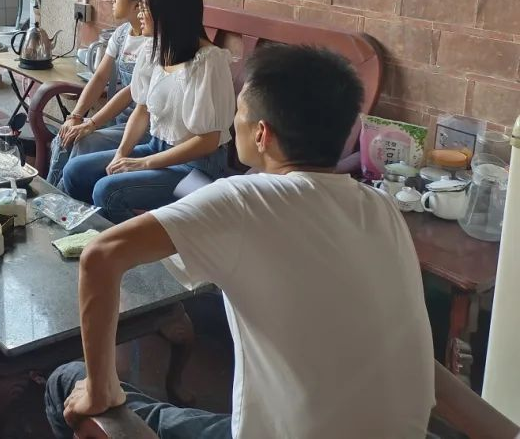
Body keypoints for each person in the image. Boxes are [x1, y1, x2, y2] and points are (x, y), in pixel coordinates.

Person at [46, 44, 436, 439]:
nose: (234, 124)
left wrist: (101, 389)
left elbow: (100, 255)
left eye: (239, 113)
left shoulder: (246, 198)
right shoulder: (381, 207)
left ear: (262, 134)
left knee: (67, 380)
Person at [58, 0, 235, 222]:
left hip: (197, 169)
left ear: (167, 12)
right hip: (156, 147)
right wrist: (121, 154)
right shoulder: (156, 48)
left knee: (108, 192)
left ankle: (135, 243)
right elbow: (141, 111)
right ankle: (91, 234)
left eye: (144, 8)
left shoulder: (209, 62)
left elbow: (208, 141)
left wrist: (142, 164)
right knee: (75, 171)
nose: (139, 14)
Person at [48, 0, 158, 187]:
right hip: (119, 123)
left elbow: (131, 92)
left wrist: (92, 123)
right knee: (65, 135)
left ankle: (60, 198)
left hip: (144, 128)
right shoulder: (122, 33)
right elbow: (99, 78)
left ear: (138, 4)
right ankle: (48, 194)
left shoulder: (154, 43)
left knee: (84, 141)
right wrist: (76, 115)